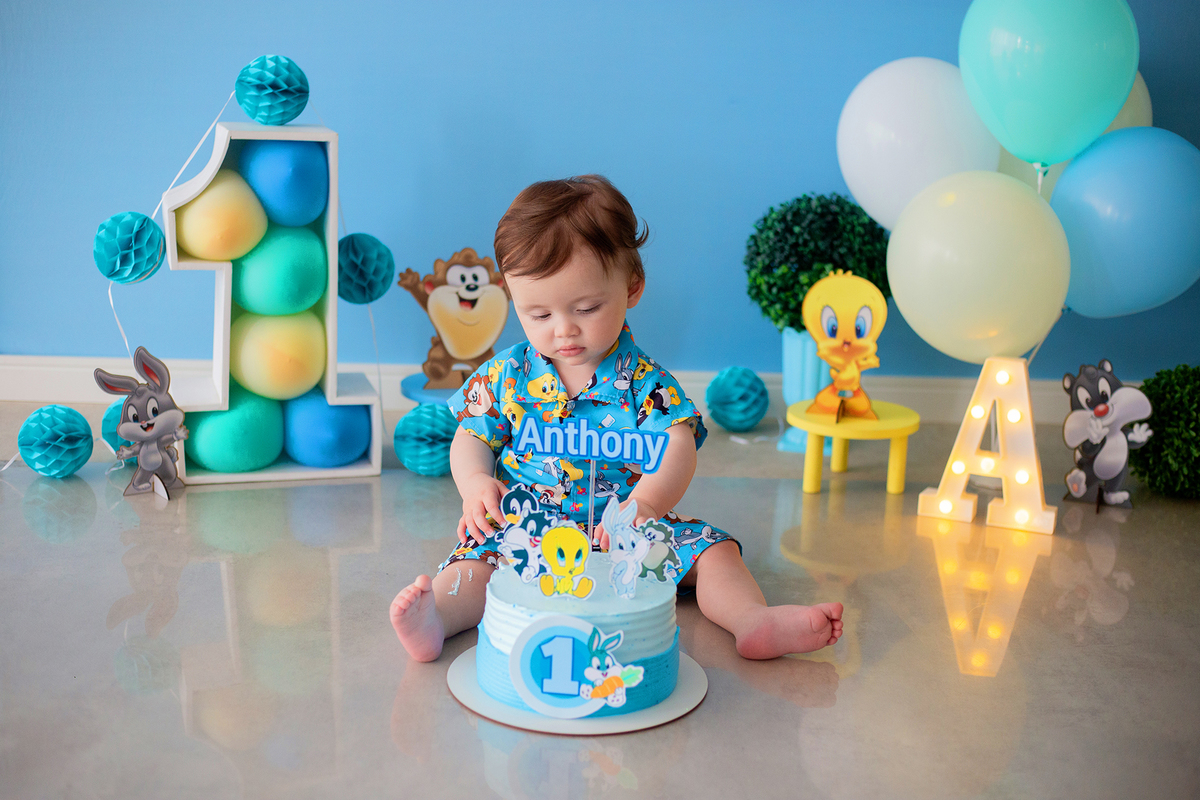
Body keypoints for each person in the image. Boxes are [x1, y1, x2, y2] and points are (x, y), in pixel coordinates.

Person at [391, 175, 842, 663]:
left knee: (714, 553)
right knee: (474, 564)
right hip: (525, 528)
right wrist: (476, 482)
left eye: (586, 308)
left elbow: (676, 446)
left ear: (631, 287)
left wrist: (646, 502)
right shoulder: (507, 375)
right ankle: (436, 617)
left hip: (624, 531)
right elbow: (471, 436)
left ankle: (751, 620)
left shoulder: (643, 383)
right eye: (537, 314)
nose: (563, 329)